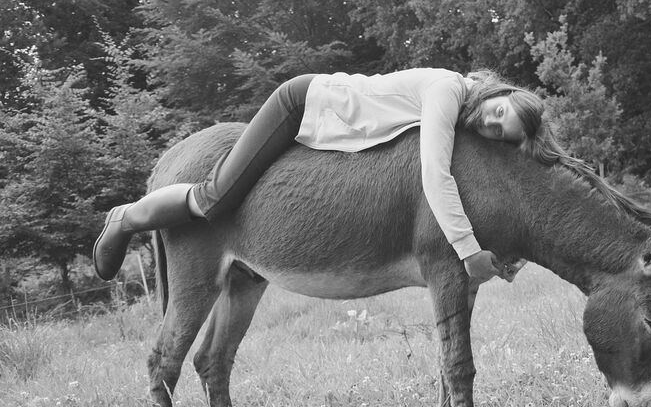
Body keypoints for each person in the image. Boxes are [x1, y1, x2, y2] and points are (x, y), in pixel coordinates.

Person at [93, 68, 545, 283]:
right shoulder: (450, 92)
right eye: (497, 112)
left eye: (497, 132)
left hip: (327, 128)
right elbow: (434, 172)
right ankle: (126, 219)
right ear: (498, 93)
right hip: (301, 105)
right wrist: (467, 250)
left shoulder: (463, 108)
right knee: (215, 199)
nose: (488, 124)